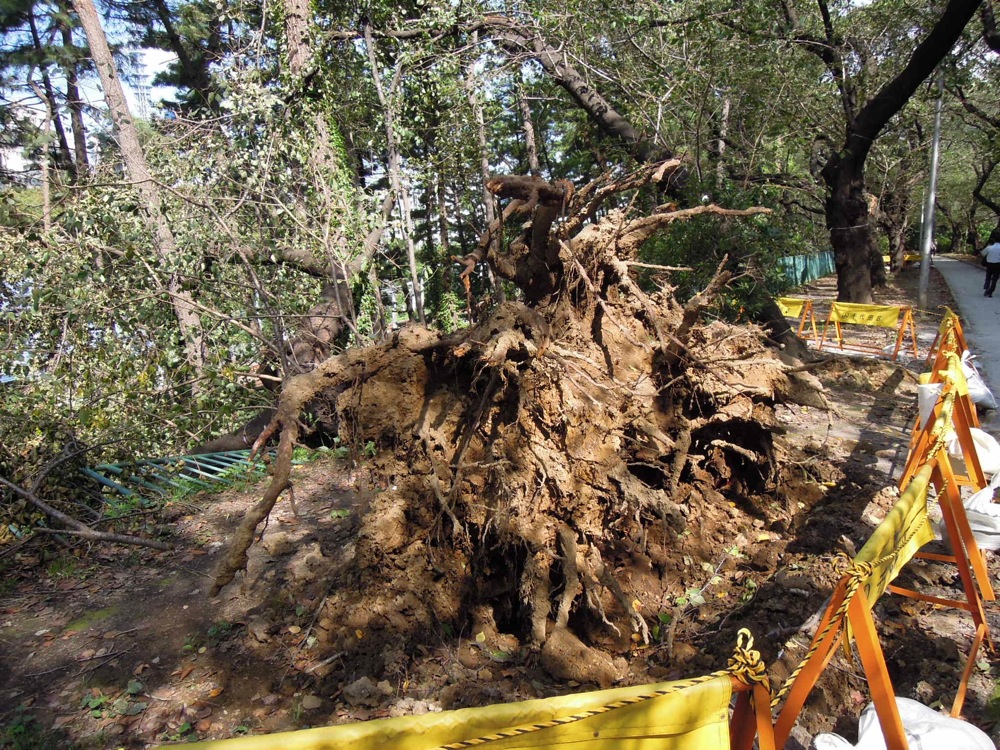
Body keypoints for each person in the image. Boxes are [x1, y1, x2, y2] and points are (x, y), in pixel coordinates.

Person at [982, 230, 1000, 297]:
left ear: (994, 240)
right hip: (998, 265)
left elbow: (983, 253)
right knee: (994, 279)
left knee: (988, 277)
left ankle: (986, 287)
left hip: (989, 264)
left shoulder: (989, 247)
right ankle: (990, 292)